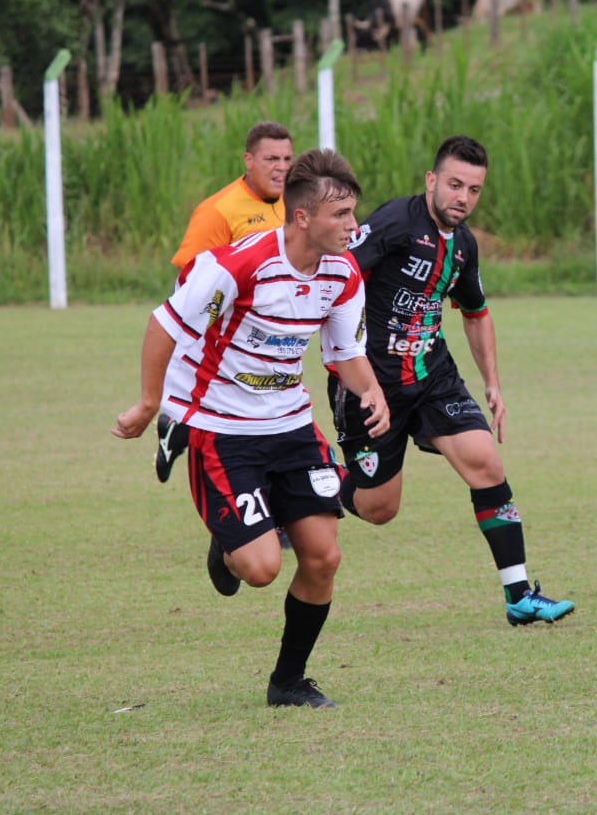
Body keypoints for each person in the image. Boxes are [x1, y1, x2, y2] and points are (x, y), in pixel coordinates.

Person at [113, 149, 391, 708]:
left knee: (324, 557)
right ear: (303, 217)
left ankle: (287, 683)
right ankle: (229, 540)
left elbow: (343, 352)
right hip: (220, 428)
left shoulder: (343, 272)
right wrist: (148, 403)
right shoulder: (237, 265)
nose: (353, 226)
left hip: (290, 425)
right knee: (261, 569)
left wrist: (371, 388)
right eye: (341, 215)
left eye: (353, 213)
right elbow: (164, 325)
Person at [328, 134, 575, 627]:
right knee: (379, 509)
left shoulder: (463, 246)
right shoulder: (394, 222)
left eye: (474, 189)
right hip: (372, 384)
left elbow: (476, 314)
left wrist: (493, 384)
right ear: (432, 180)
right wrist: (345, 363)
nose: (463, 197)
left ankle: (519, 595)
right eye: (455, 185)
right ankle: (312, 479)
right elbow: (337, 279)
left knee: (486, 463)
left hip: (433, 375)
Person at [155, 122, 297, 549]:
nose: (281, 168)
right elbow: (191, 281)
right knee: (242, 426)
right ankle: (249, 521)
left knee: (276, 418)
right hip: (226, 345)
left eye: (288, 159)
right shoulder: (219, 210)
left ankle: (175, 429)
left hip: (276, 340)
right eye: (271, 159)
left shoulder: (296, 204)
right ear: (248, 161)